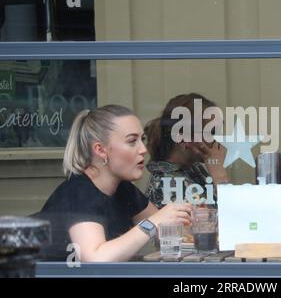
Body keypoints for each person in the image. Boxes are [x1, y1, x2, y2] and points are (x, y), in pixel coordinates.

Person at [38, 105, 193, 262]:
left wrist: (193, 220)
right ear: (101, 150)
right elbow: (95, 259)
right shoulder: (78, 193)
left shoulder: (123, 189)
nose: (144, 149)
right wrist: (153, 222)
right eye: (132, 141)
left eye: (143, 139)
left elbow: (165, 231)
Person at [144, 93, 228, 208]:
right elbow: (231, 219)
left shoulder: (192, 168)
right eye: (212, 132)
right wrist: (220, 175)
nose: (219, 140)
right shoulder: (171, 183)